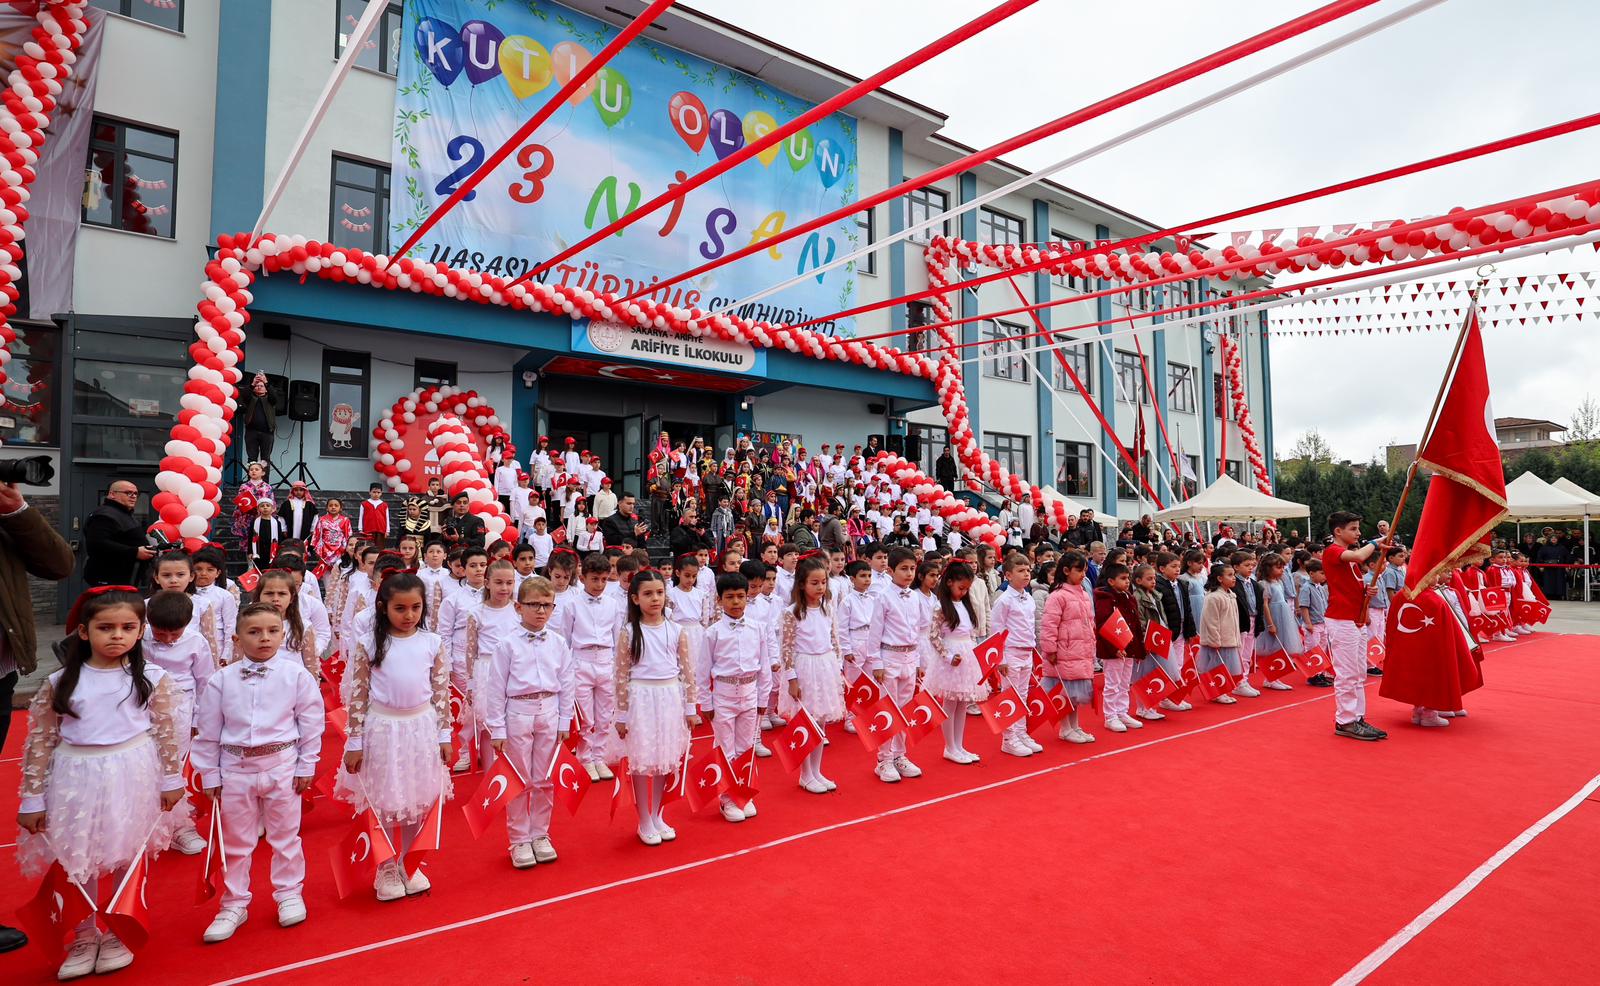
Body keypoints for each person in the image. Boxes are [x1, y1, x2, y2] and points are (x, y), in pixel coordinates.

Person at [16, 588, 185, 979]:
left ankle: (118, 928)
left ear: (140, 631)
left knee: (125, 853)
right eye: (105, 627)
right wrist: (33, 798)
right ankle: (83, 931)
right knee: (79, 858)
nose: (117, 635)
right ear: (82, 631)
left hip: (132, 772)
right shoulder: (60, 682)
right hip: (77, 776)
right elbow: (40, 742)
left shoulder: (152, 678)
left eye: (128, 627)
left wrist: (172, 777)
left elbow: (166, 732)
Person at [193, 602, 324, 942]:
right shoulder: (220, 681)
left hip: (282, 765)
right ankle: (234, 902)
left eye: (272, 631)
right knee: (237, 842)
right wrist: (209, 774)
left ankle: (289, 893)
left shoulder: (297, 675)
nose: (264, 638)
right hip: (234, 769)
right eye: (254, 632)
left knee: (285, 836)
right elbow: (207, 730)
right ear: (237, 639)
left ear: (283, 634)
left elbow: (311, 723)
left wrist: (307, 764)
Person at [335, 571, 452, 901]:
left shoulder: (432, 642)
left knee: (418, 797)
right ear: (384, 607)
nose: (409, 615)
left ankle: (409, 861)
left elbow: (440, 693)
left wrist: (445, 736)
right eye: (400, 608)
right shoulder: (370, 643)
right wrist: (354, 741)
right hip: (383, 729)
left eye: (416, 607)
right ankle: (385, 866)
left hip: (422, 728)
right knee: (385, 799)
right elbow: (357, 695)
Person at [481, 576, 575, 869]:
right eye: (533, 605)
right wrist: (496, 728)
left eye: (546, 605)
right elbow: (495, 688)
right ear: (518, 607)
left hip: (548, 710)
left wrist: (565, 720)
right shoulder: (506, 645)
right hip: (518, 713)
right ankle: (519, 839)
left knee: (544, 778)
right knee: (519, 779)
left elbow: (566, 682)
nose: (540, 611)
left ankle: (540, 834)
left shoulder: (558, 643)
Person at [614, 570, 699, 846]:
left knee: (665, 756)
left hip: (669, 697)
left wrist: (690, 707)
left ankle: (657, 812)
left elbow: (688, 672)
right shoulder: (628, 632)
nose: (655, 599)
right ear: (635, 598)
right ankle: (643, 819)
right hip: (641, 698)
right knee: (642, 758)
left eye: (659, 593)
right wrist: (623, 714)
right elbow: (621, 675)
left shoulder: (676, 630)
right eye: (648, 594)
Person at [141, 591, 214, 856]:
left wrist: (199, 718)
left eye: (175, 634)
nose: (169, 640)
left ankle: (179, 827)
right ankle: (142, 826)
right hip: (141, 708)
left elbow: (206, 682)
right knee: (143, 765)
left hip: (180, 709)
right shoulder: (138, 638)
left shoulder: (196, 641)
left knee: (174, 766)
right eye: (161, 634)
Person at [701, 572, 771, 821]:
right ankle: (727, 798)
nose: (736, 602)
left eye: (740, 596)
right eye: (729, 597)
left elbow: (764, 666)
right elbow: (702, 671)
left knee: (746, 747)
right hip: (724, 694)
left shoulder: (758, 628)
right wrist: (706, 702)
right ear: (719, 600)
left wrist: (764, 699)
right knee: (725, 748)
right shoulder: (712, 633)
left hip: (750, 693)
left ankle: (744, 793)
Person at [778, 556, 847, 793]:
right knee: (806, 722)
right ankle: (805, 774)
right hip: (805, 667)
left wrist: (838, 668)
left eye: (823, 582)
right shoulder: (792, 613)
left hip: (826, 665)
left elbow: (835, 639)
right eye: (814, 583)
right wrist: (792, 678)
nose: (820, 587)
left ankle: (817, 771)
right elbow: (786, 648)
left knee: (821, 722)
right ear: (801, 584)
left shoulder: (828, 608)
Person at [554, 553, 625, 781]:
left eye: (604, 579)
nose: (600, 585)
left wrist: (616, 667)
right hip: (581, 661)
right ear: (582, 577)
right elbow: (565, 639)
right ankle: (585, 759)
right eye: (595, 579)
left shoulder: (613, 604)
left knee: (605, 715)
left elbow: (617, 637)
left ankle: (599, 757)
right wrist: (564, 670)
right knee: (586, 717)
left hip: (605, 661)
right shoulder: (572, 605)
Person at [1322, 512, 1388, 741]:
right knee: (1347, 673)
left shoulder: (1347, 558)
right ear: (1338, 531)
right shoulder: (1334, 552)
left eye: (1358, 528)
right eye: (1353, 528)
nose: (1358, 533)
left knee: (1359, 673)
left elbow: (1350, 584)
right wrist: (1375, 542)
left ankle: (1356, 717)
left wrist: (1365, 593)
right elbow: (1360, 555)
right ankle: (1346, 720)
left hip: (1355, 618)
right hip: (1341, 620)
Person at [864, 546, 923, 783]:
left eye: (912, 569)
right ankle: (883, 760)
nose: (909, 574)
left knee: (905, 710)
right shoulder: (883, 597)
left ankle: (900, 755)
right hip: (889, 658)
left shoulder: (916, 596)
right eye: (903, 569)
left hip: (909, 658)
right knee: (887, 709)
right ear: (891, 570)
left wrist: (918, 660)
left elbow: (917, 631)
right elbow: (874, 632)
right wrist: (876, 662)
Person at [1038, 551, 1096, 743]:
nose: (1083, 574)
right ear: (1066, 571)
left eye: (1084, 570)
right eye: (1079, 570)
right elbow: (1048, 626)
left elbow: (1089, 621)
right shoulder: (1058, 596)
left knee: (1075, 694)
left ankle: (1075, 726)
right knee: (1064, 692)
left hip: (1081, 650)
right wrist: (1050, 650)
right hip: (1065, 651)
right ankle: (1065, 728)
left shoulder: (1083, 593)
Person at [990, 553, 1042, 756]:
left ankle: (1021, 732)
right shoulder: (1003, 600)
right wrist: (1000, 658)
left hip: (1026, 651)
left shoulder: (1028, 597)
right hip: (1010, 653)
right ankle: (1009, 738)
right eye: (1021, 571)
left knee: (1023, 695)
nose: (1026, 574)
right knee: (1009, 695)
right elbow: (997, 630)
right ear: (1008, 575)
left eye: (1028, 570)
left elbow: (1029, 626)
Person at [1094, 562, 1145, 732]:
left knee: (1125, 683)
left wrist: (1138, 647)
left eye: (1128, 578)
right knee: (1112, 683)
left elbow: (1135, 623)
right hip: (1114, 649)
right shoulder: (1104, 598)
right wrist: (1114, 647)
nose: (1127, 581)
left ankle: (1122, 711)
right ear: (1110, 581)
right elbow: (1103, 624)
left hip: (1129, 645)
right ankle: (1110, 716)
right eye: (1123, 578)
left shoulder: (1129, 597)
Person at [82, 480, 155, 587]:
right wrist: (134, 552)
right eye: (128, 493)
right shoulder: (104, 515)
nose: (133, 496)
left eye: (135, 493)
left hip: (124, 579)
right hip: (109, 579)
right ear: (112, 494)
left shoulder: (123, 514)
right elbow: (97, 544)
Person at [1197, 563, 1242, 706]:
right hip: (1219, 640)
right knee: (1217, 667)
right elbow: (1211, 621)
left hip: (1229, 637)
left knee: (1226, 667)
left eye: (1234, 575)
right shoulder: (1214, 597)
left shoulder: (1231, 595)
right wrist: (1214, 640)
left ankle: (1223, 691)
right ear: (1219, 578)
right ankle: (1218, 692)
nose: (1234, 578)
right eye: (1230, 575)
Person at [240, 372, 278, 465]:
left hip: (267, 433)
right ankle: (251, 480)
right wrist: (253, 383)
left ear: (266, 390)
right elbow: (244, 394)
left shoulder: (270, 400)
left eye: (262, 386)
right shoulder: (250, 399)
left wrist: (266, 382)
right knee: (252, 459)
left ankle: (264, 480)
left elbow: (274, 396)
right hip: (251, 432)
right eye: (257, 386)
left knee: (265, 460)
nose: (259, 387)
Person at [358, 484, 391, 551]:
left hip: (381, 530)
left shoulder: (384, 505)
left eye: (378, 492)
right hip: (368, 530)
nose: (376, 494)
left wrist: (387, 530)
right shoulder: (364, 504)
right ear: (370, 492)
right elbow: (361, 516)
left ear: (381, 493)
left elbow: (387, 518)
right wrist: (360, 529)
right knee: (369, 547)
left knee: (380, 548)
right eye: (374, 492)